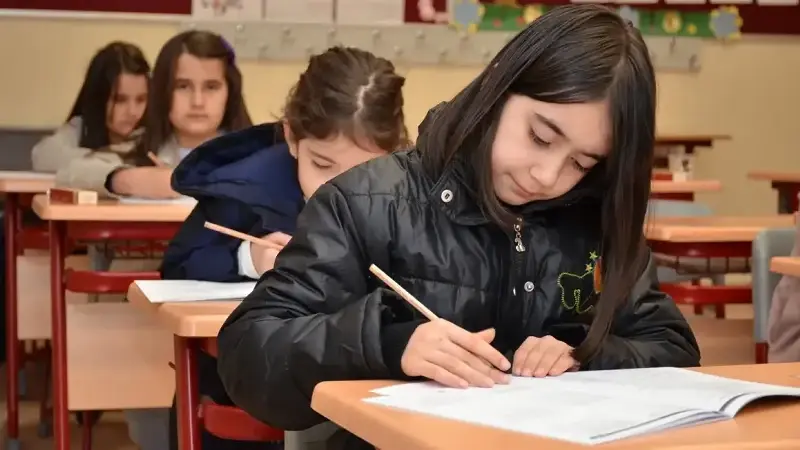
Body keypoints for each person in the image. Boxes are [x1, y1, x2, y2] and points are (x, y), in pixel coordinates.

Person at [216, 5, 701, 449]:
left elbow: (672, 347)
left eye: (582, 162)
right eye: (539, 136)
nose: (547, 175)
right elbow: (249, 355)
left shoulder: (593, 218)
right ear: (499, 86)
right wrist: (390, 345)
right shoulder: (366, 202)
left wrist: (586, 355)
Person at [160, 46, 409, 449]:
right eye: (322, 165)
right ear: (292, 136)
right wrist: (250, 259)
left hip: (368, 394)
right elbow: (178, 265)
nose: (337, 189)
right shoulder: (244, 188)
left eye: (363, 172)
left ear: (395, 152)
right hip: (242, 393)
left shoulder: (408, 192)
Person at [54, 30, 251, 198]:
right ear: (162, 91)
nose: (197, 102)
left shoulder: (258, 155)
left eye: (211, 87)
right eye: (183, 86)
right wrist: (127, 180)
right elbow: (69, 173)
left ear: (230, 93)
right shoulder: (141, 149)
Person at [31, 41, 150, 173]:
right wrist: (107, 160)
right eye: (120, 100)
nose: (132, 111)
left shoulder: (155, 135)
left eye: (141, 100)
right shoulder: (81, 128)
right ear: (99, 98)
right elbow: (42, 157)